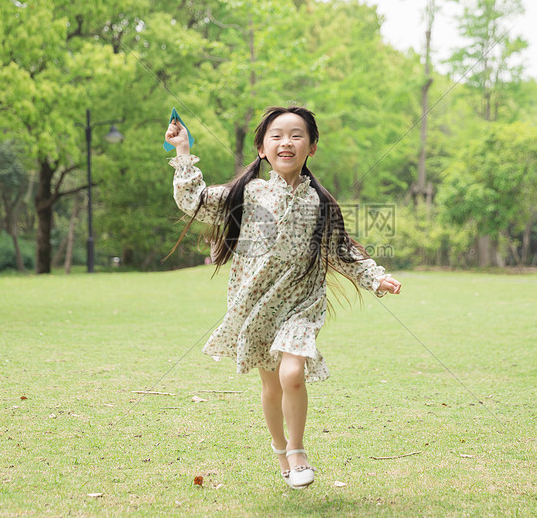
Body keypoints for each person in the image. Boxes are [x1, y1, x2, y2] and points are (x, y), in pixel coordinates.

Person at [165, 106, 402, 489]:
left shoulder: (319, 203)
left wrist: (377, 277)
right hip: (257, 306)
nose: (286, 142)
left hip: (301, 305)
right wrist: (182, 150)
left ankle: (297, 450)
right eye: (276, 135)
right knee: (271, 386)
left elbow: (342, 251)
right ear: (262, 148)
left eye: (296, 135)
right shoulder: (248, 193)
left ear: (311, 148)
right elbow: (192, 198)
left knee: (292, 375)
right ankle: (281, 452)